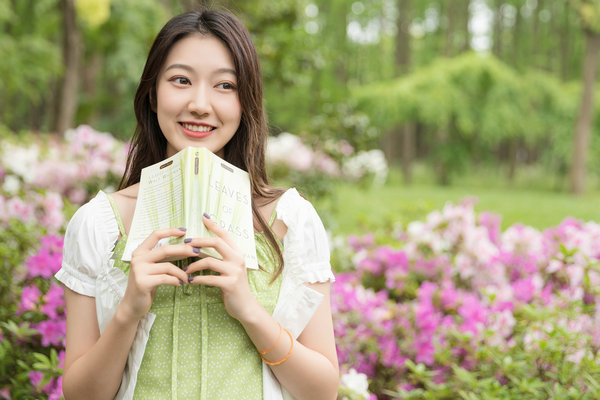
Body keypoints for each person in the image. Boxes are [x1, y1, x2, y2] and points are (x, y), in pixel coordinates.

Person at [55, 9, 339, 400]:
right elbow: (82, 396)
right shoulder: (99, 223)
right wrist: (129, 310)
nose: (200, 104)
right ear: (153, 94)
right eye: (181, 80)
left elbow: (322, 391)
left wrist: (249, 310)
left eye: (225, 85)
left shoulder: (290, 219)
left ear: (246, 101)